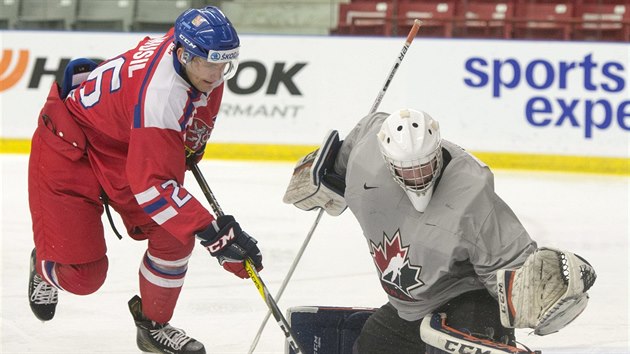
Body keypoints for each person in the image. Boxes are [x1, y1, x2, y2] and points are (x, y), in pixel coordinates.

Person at [27, 6, 263, 354]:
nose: (216, 75)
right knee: (84, 277)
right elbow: (152, 186)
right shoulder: (162, 94)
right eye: (209, 65)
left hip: (121, 147)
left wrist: (189, 148)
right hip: (67, 146)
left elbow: (193, 123)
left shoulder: (194, 58)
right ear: (183, 54)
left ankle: (153, 326)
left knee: (172, 232)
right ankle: (44, 265)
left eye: (224, 65)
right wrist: (213, 235)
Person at [283, 108, 596, 354]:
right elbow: (365, 130)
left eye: (425, 165)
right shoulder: (366, 159)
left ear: (437, 151)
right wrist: (326, 171)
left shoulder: (471, 195)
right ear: (389, 162)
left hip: (465, 297)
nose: (418, 177)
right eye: (408, 169)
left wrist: (537, 293)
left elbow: (513, 269)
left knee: (462, 338)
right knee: (370, 345)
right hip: (410, 306)